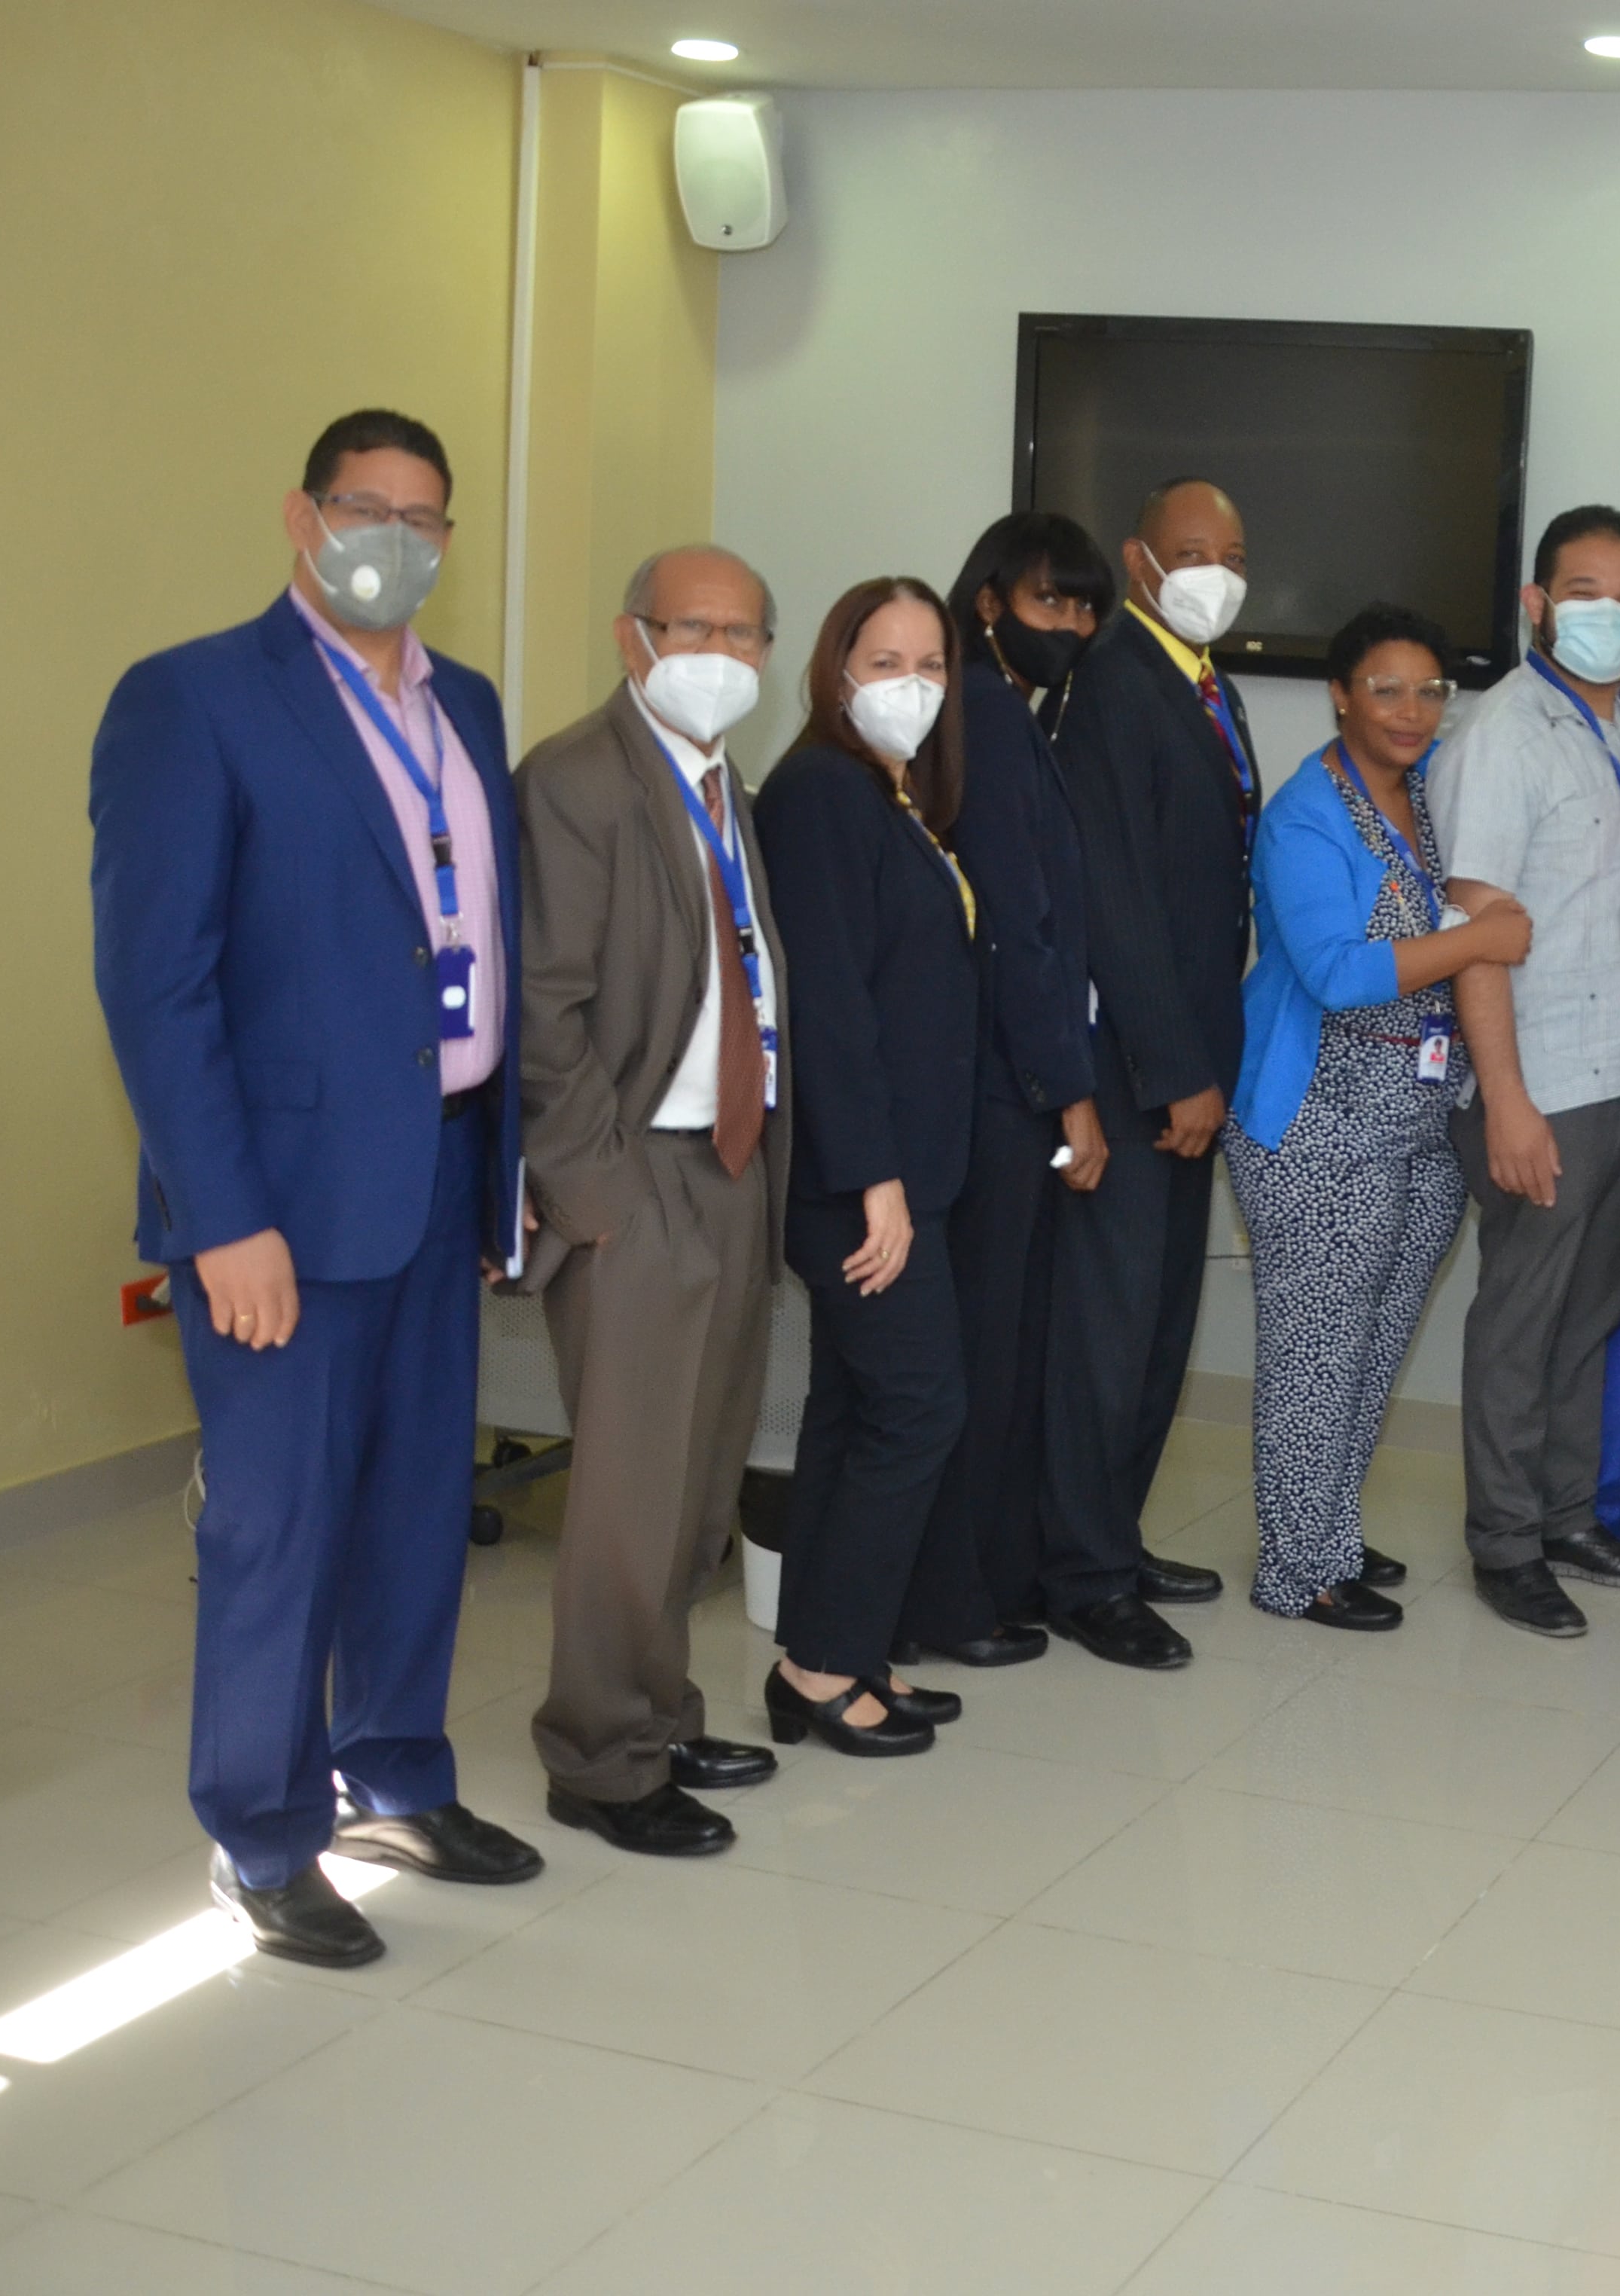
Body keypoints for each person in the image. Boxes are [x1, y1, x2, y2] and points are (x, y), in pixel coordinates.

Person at [89, 408, 542, 1966]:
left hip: (438, 1171)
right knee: (280, 1529)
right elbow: (159, 991)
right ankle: (264, 1836)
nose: (393, 541)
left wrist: (497, 1177)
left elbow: (476, 941)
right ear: (303, 517)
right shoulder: (194, 699)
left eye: (424, 518)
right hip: (279, 1202)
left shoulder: (464, 705)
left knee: (416, 1508)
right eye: (365, 508)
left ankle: (394, 1774)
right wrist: (223, 1219)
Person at [517, 543, 793, 1856]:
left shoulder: (724, 785)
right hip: (635, 1176)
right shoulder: (578, 781)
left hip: (730, 1167)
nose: (721, 657)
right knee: (630, 1495)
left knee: (697, 1480)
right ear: (634, 639)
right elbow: (545, 1012)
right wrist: (601, 1200)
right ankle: (598, 1760)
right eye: (695, 630)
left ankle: (660, 1715)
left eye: (745, 636)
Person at [1228, 606, 1526, 1627]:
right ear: (1340, 696)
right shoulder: (1305, 817)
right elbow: (1338, 973)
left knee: (1373, 1342)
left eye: (1431, 690)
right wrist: (1482, 938)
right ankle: (1294, 1570)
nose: (1412, 710)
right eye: (1386, 689)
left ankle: (1329, 1535)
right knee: (1316, 1351)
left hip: (1423, 1116)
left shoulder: (1436, 791)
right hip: (1319, 1121)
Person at [1427, 505, 1620, 1636]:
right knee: (1520, 1320)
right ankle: (1504, 1541)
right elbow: (1476, 930)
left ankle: (1568, 1516)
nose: (1611, 616)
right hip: (1540, 1082)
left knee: (1589, 1315)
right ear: (1538, 605)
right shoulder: (1500, 734)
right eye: (1586, 594)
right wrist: (1507, 1102)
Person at [747, 579, 983, 1757]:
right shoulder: (823, 793)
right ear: (835, 672)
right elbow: (829, 1001)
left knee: (853, 1410)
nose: (912, 685)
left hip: (898, 1167)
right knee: (918, 1406)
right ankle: (825, 1663)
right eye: (884, 662)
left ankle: (832, 1651)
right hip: (858, 1179)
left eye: (931, 663)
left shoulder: (893, 798)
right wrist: (876, 1178)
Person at [1042, 478, 1258, 1671]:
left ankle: (1113, 1541)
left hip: (1189, 1060)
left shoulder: (1205, 684)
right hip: (1136, 1069)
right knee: (1109, 1333)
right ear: (1140, 560)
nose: (1216, 573)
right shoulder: (1115, 685)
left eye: (1233, 554)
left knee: (1162, 1324)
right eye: (1192, 552)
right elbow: (1115, 902)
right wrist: (1176, 1071)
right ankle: (1080, 1574)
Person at [893, 511, 1113, 1669]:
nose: (1069, 626)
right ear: (987, 603)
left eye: (1084, 608)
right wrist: (1071, 1092)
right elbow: (1017, 932)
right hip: (995, 1092)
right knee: (977, 1354)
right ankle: (948, 1600)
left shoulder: (1006, 710)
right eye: (1047, 602)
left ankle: (986, 1579)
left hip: (1006, 1083)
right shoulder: (979, 710)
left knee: (1008, 1349)